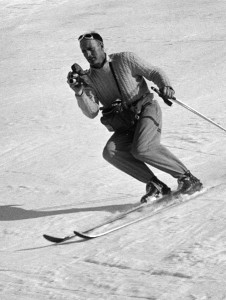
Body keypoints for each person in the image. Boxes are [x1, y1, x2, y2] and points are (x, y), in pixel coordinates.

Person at [67, 31, 202, 202]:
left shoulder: (124, 59)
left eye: (91, 49)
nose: (88, 54)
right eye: (84, 51)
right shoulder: (89, 79)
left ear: (101, 46)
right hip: (125, 123)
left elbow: (153, 72)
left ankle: (187, 178)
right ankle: (155, 185)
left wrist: (165, 86)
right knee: (110, 152)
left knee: (142, 148)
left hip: (146, 109)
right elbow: (92, 111)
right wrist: (79, 93)